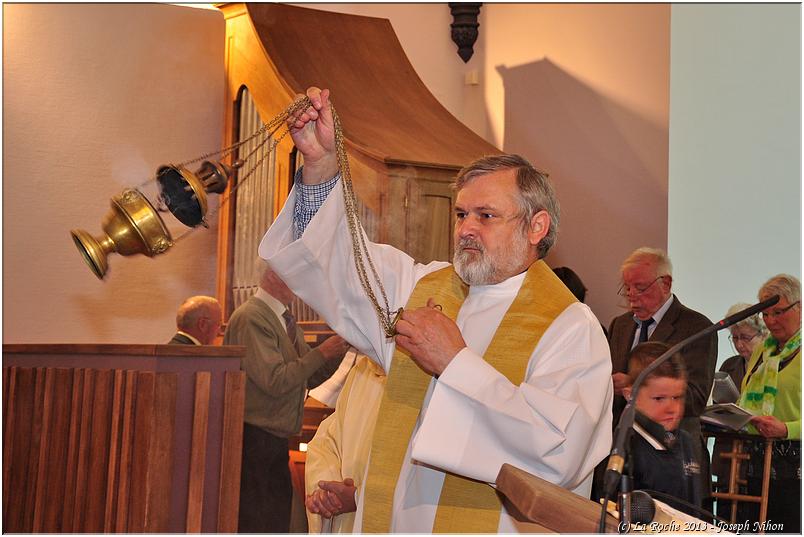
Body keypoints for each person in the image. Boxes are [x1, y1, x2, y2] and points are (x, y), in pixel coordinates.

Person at [259, 87, 613, 533]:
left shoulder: (569, 328)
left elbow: (559, 453)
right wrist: (320, 166)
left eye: (485, 216)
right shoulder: (421, 287)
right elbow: (341, 268)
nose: (466, 228)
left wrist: (455, 364)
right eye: (461, 214)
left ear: (536, 226)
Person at [224, 259, 349, 533]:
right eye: (296, 273)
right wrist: (323, 352)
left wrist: (340, 349)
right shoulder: (251, 317)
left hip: (275, 439)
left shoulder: (285, 321)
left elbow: (308, 377)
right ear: (273, 275)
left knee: (276, 521)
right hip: (253, 438)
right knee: (258, 523)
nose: (302, 282)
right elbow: (276, 380)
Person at [600, 247, 716, 504]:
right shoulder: (620, 325)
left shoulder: (697, 327)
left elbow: (696, 397)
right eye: (627, 288)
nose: (632, 297)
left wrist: (635, 386)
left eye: (640, 288)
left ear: (666, 283)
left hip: (673, 458)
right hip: (626, 454)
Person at [736, 274, 800, 534]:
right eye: (765, 313)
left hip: (795, 472)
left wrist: (786, 429)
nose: (771, 321)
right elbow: (746, 396)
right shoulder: (763, 350)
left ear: (799, 307)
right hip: (756, 464)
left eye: (779, 312)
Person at [623, 342, 702, 516]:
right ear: (631, 395)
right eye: (659, 398)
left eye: (677, 397)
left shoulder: (686, 442)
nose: (671, 408)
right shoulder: (625, 448)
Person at [710, 302, 767, 515]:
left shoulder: (770, 364)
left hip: (756, 455)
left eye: (745, 337)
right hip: (728, 454)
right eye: (734, 338)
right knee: (724, 517)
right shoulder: (729, 365)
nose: (739, 344)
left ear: (763, 334)